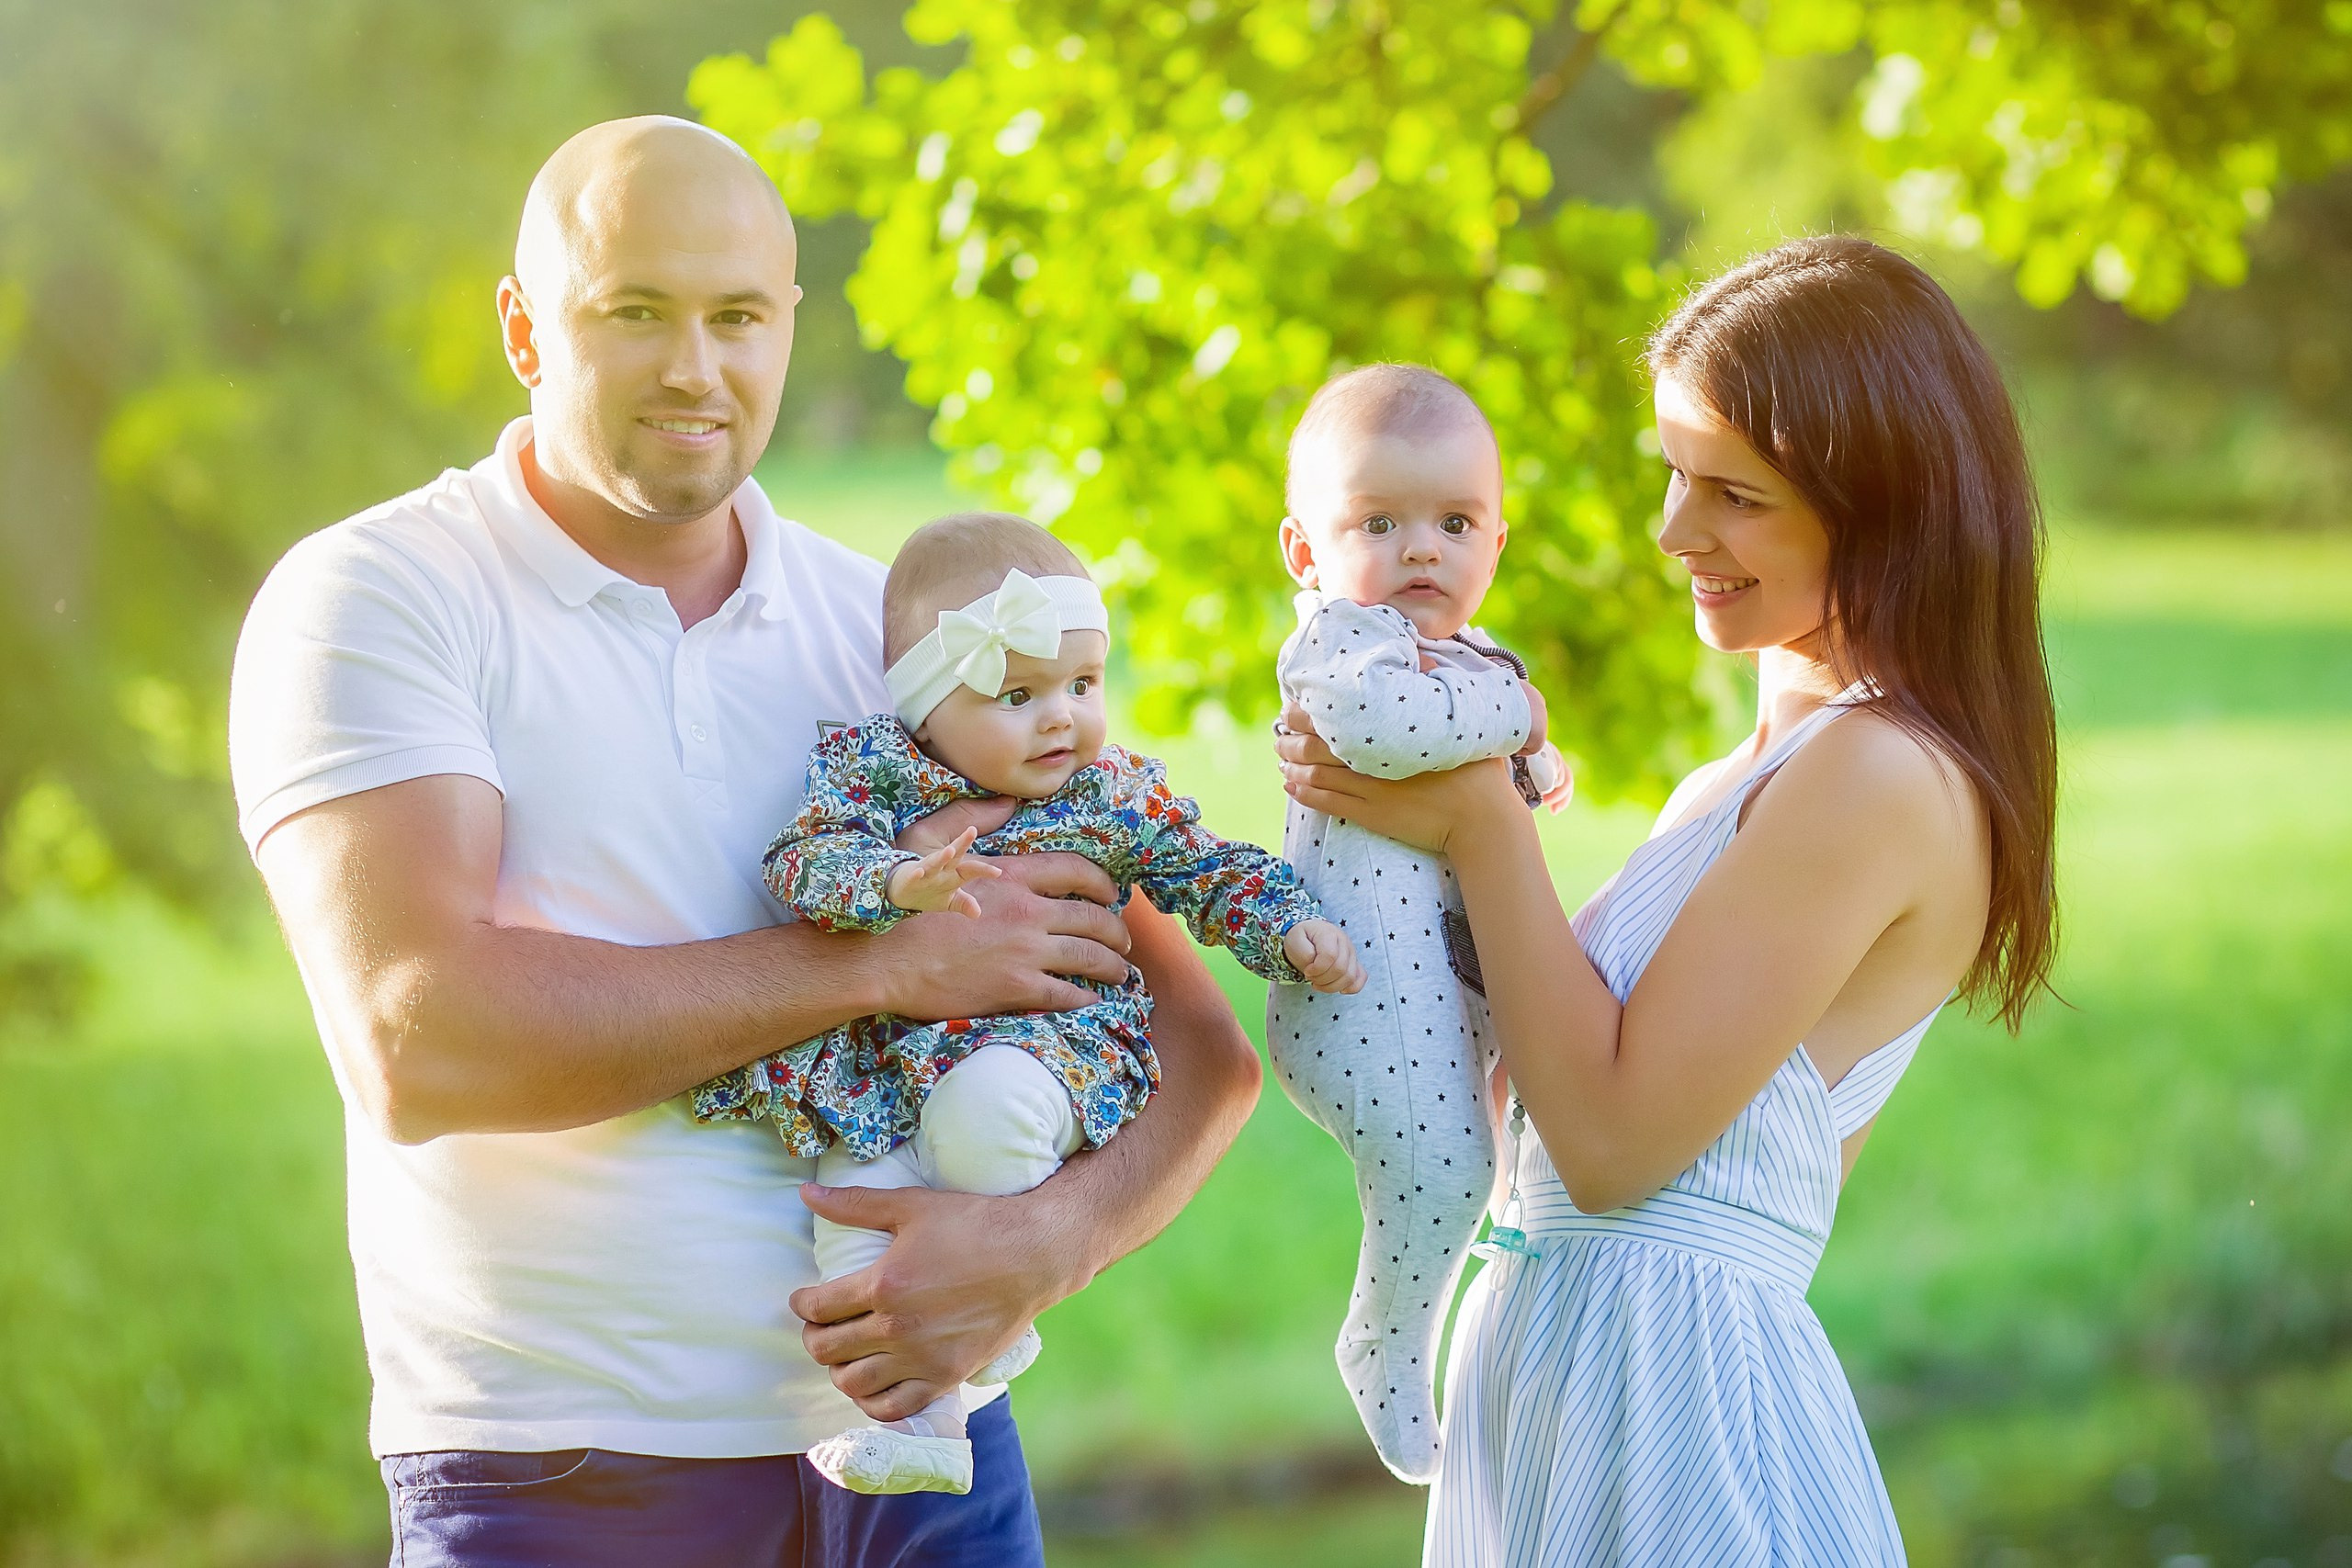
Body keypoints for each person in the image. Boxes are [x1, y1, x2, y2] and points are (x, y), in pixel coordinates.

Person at [227, 117, 1261, 1568]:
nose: (694, 367)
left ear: (789, 326)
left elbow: (1207, 1057)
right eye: (634, 312)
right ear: (527, 327)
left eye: (734, 316)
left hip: (933, 1468)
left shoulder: (910, 636)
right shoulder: (385, 595)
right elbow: (421, 1038)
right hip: (560, 1473)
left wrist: (1053, 1239)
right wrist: (879, 961)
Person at [1276, 235, 2059, 1563]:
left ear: (1881, 504)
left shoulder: (1880, 774)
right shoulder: (1733, 782)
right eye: (1675, 475)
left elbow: (1616, 1144)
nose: (1674, 531)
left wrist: (1476, 817)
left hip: (1677, 1413)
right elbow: (1547, 1094)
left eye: (1733, 494)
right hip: (1557, 1373)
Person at [695, 510, 1363, 1495]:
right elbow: (802, 859)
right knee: (852, 1196)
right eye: (1018, 693)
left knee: (987, 1110)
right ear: (927, 708)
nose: (1062, 717)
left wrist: (1285, 926)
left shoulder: (1105, 795)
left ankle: (991, 1320)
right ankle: (913, 1423)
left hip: (1051, 1048)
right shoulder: (874, 773)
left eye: (1082, 686)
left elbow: (1204, 867)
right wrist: (890, 882)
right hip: (889, 1066)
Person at [1265, 364, 1568, 1484]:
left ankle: (1466, 1320)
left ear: (1496, 538)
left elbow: (1492, 783)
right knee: (1442, 1175)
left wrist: (1525, 760)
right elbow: (1394, 734)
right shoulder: (1341, 646)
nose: (1421, 551)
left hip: (1435, 990)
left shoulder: (1458, 655)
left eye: (1453, 522)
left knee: (1485, 1155)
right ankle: (1384, 1344)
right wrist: (1526, 714)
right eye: (1377, 523)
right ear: (1306, 553)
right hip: (1352, 994)